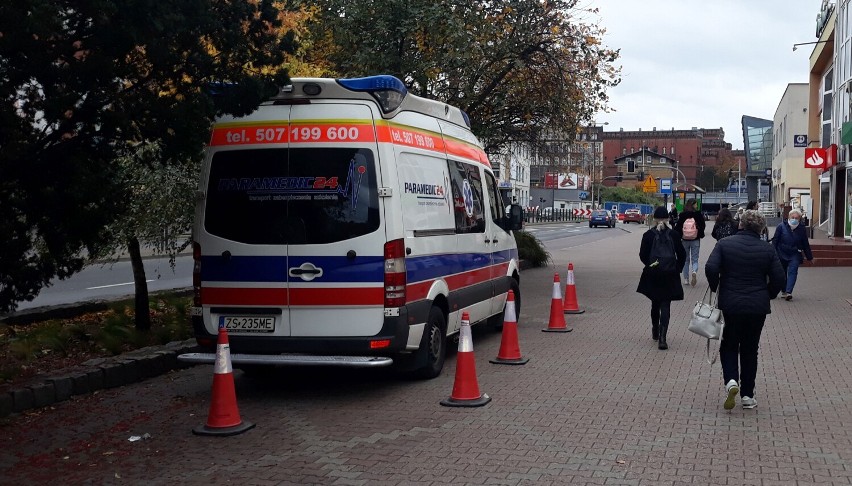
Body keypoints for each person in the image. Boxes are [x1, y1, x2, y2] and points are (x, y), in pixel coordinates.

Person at [705, 210, 785, 410]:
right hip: (757, 306)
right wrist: (769, 294)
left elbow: (711, 268)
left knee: (729, 344)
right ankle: (748, 395)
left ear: (740, 225)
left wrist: (717, 287)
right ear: (761, 228)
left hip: (731, 304)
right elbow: (780, 278)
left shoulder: (724, 244)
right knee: (750, 349)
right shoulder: (767, 249)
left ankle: (731, 381)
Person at [637, 206, 686, 350]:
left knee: (655, 303)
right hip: (670, 274)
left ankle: (654, 330)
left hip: (653, 274)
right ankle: (663, 338)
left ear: (654, 219)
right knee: (666, 305)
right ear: (668, 219)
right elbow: (682, 255)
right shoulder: (674, 235)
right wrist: (677, 269)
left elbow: (642, 255)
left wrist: (651, 265)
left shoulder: (648, 235)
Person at [771, 208, 813, 301]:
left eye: (796, 218)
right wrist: (773, 253)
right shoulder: (781, 226)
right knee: (782, 273)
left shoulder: (801, 229)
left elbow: (805, 243)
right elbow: (775, 241)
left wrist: (809, 257)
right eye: (792, 217)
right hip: (781, 253)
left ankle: (789, 292)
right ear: (789, 217)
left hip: (795, 254)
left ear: (800, 219)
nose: (794, 219)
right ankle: (784, 290)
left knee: (793, 271)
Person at [673, 198, 706, 287]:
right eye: (695, 204)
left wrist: (680, 236)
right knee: (695, 259)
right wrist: (700, 234)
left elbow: (678, 227)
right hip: (695, 239)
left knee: (686, 259)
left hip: (684, 240)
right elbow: (703, 226)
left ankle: (686, 279)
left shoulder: (683, 215)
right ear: (693, 205)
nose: (696, 206)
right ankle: (694, 271)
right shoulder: (698, 214)